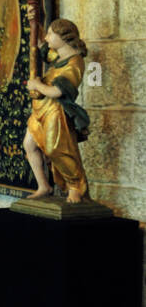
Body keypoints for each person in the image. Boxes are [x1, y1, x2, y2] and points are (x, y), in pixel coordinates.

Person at [24, 18, 91, 202]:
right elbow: (41, 46)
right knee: (29, 145)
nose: (47, 37)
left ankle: (75, 187)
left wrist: (37, 84)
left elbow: (58, 91)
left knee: (57, 150)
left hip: (56, 112)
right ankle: (43, 185)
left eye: (51, 34)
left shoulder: (74, 62)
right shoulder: (59, 55)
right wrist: (34, 23)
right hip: (41, 109)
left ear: (63, 37)